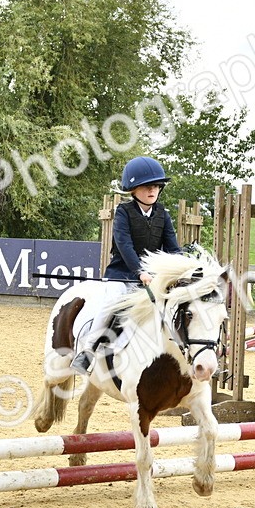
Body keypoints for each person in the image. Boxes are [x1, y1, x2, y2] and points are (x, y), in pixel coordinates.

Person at [71, 156, 182, 375]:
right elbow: (124, 244)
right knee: (111, 302)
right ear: (133, 189)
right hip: (122, 274)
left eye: (156, 186)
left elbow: (173, 248)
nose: (152, 190)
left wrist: (182, 268)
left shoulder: (163, 214)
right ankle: (88, 351)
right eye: (147, 186)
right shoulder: (123, 212)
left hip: (153, 278)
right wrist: (140, 271)